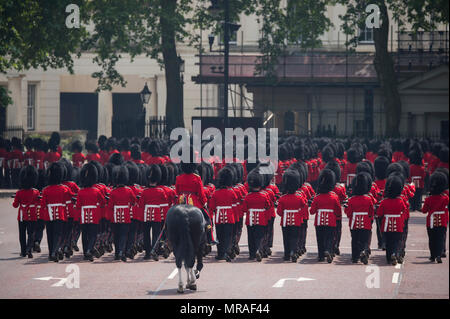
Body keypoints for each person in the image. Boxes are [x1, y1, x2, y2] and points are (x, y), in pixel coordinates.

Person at [176, 161, 217, 246]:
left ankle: (165, 239)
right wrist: (204, 203)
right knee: (207, 217)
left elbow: (177, 192)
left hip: (181, 202)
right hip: (194, 202)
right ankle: (210, 238)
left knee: (168, 220)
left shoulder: (178, 178)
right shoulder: (197, 178)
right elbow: (201, 194)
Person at [41, 162, 74, 262]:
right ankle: (54, 251)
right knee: (57, 234)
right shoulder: (64, 189)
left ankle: (51, 252)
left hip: (48, 214)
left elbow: (43, 205)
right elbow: (70, 200)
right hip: (60, 214)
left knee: (50, 234)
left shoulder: (45, 190)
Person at [310, 169, 342, 263]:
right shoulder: (334, 197)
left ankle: (320, 256)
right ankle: (328, 250)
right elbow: (338, 211)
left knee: (320, 238)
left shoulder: (317, 197)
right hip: (331, 220)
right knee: (330, 237)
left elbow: (312, 211)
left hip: (319, 221)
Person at [76, 163, 106, 261]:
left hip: (84, 215)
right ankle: (89, 250)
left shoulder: (81, 191)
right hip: (94, 214)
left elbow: (78, 206)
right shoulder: (96, 191)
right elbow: (103, 202)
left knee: (85, 234)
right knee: (93, 234)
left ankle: (85, 253)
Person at [107, 165, 137, 262]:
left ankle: (117, 253)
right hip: (126, 215)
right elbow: (134, 201)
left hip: (115, 216)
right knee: (124, 235)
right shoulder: (129, 191)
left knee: (116, 235)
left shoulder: (113, 192)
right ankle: (121, 252)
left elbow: (110, 205)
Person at [376, 175, 408, 265]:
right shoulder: (401, 201)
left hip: (387, 224)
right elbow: (404, 210)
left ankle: (389, 258)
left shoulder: (384, 201)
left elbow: (379, 214)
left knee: (388, 241)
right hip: (398, 224)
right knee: (397, 240)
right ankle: (395, 254)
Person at [241, 169, 271, 262]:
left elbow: (244, 209)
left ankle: (251, 254)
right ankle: (258, 249)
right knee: (259, 236)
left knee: (251, 236)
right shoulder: (264, 195)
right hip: (261, 218)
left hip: (250, 219)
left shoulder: (248, 196)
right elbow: (268, 205)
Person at [209, 166, 238, 261]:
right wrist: (236, 218)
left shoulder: (215, 193)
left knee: (219, 235)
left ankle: (220, 253)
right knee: (228, 236)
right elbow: (235, 207)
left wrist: (210, 219)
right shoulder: (232, 192)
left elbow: (211, 208)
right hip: (229, 216)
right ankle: (226, 252)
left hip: (218, 217)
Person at [277, 168, 307, 262]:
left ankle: (286, 255)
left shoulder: (282, 198)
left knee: (286, 238)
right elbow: (303, 206)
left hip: (285, 220)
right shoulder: (299, 198)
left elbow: (279, 212)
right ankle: (293, 252)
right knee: (295, 237)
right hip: (296, 220)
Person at [139, 164, 167, 261]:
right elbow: (164, 200)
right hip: (157, 214)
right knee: (156, 234)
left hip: (146, 214)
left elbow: (141, 205)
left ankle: (147, 253)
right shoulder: (160, 191)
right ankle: (154, 251)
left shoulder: (144, 191)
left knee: (146, 234)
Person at [345, 173, 375, 264]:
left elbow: (348, 213)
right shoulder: (368, 199)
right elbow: (371, 212)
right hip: (365, 222)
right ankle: (364, 251)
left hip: (354, 222)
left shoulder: (352, 199)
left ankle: (355, 257)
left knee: (355, 240)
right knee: (365, 239)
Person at [12, 165, 41, 258]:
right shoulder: (36, 192)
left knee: (22, 233)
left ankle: (23, 251)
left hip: (22, 215)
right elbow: (39, 202)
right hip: (32, 214)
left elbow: (15, 205)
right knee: (31, 233)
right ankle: (29, 249)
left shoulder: (19, 192)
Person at [422, 172, 449, 263]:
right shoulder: (445, 198)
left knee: (432, 239)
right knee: (440, 238)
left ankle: (433, 255)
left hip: (431, 222)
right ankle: (438, 255)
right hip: (442, 221)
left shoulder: (428, 199)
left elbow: (424, 211)